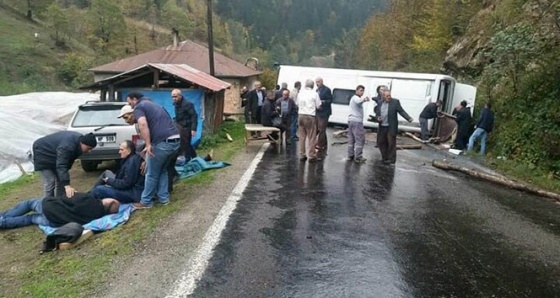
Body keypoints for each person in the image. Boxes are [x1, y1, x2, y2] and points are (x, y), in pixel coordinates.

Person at [126, 91, 180, 209]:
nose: (130, 105)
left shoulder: (139, 106)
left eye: (130, 102)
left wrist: (148, 144)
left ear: (134, 99)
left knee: (151, 173)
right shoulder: (155, 105)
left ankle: (146, 201)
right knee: (162, 171)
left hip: (162, 143)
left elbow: (143, 125)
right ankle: (163, 199)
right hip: (175, 140)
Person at [0, 193, 119, 229]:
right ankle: (2, 223)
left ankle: (3, 216)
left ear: (107, 202)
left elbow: (70, 196)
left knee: (29, 204)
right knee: (30, 219)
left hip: (50, 207)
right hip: (53, 222)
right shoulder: (96, 217)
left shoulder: (90, 200)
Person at [32, 131, 97, 198]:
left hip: (55, 153)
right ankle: (47, 203)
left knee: (60, 181)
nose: (89, 151)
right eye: (89, 148)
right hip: (42, 152)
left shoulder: (79, 143)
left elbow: (67, 162)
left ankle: (59, 201)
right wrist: (67, 185)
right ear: (82, 143)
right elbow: (61, 164)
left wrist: (64, 181)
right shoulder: (67, 146)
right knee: (50, 181)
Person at [375, 90, 413, 164]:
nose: (389, 97)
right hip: (382, 126)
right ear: (382, 96)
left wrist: (408, 118)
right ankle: (385, 157)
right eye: (387, 96)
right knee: (381, 142)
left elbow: (401, 111)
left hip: (391, 126)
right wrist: (377, 118)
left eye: (390, 95)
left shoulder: (395, 102)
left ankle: (391, 159)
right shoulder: (379, 103)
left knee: (391, 143)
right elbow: (377, 114)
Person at [297, 79, 322, 161]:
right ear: (312, 86)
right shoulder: (315, 94)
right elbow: (318, 105)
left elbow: (297, 103)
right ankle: (311, 155)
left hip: (300, 115)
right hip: (310, 116)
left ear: (305, 85)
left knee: (302, 136)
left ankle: (302, 154)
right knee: (311, 137)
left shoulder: (300, 93)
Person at [172, 89, 198, 161]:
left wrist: (193, 129)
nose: (174, 98)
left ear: (180, 96)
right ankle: (194, 157)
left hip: (187, 127)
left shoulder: (187, 104)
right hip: (180, 126)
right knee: (185, 144)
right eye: (173, 97)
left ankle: (188, 159)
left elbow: (194, 116)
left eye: (175, 96)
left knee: (186, 144)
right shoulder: (176, 104)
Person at [347, 85, 370, 163]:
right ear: (356, 90)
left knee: (351, 139)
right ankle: (358, 156)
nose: (362, 92)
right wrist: (364, 99)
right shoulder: (356, 98)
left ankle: (350, 155)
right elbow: (358, 101)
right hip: (357, 121)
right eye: (360, 90)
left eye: (363, 91)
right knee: (360, 139)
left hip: (351, 121)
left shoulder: (353, 98)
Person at [315, 77, 333, 158]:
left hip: (325, 112)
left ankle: (320, 144)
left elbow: (330, 100)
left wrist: (323, 102)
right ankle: (324, 143)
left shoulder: (327, 90)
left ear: (322, 82)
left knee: (321, 129)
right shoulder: (316, 90)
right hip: (318, 112)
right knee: (321, 128)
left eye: (318, 82)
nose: (317, 83)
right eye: (316, 82)